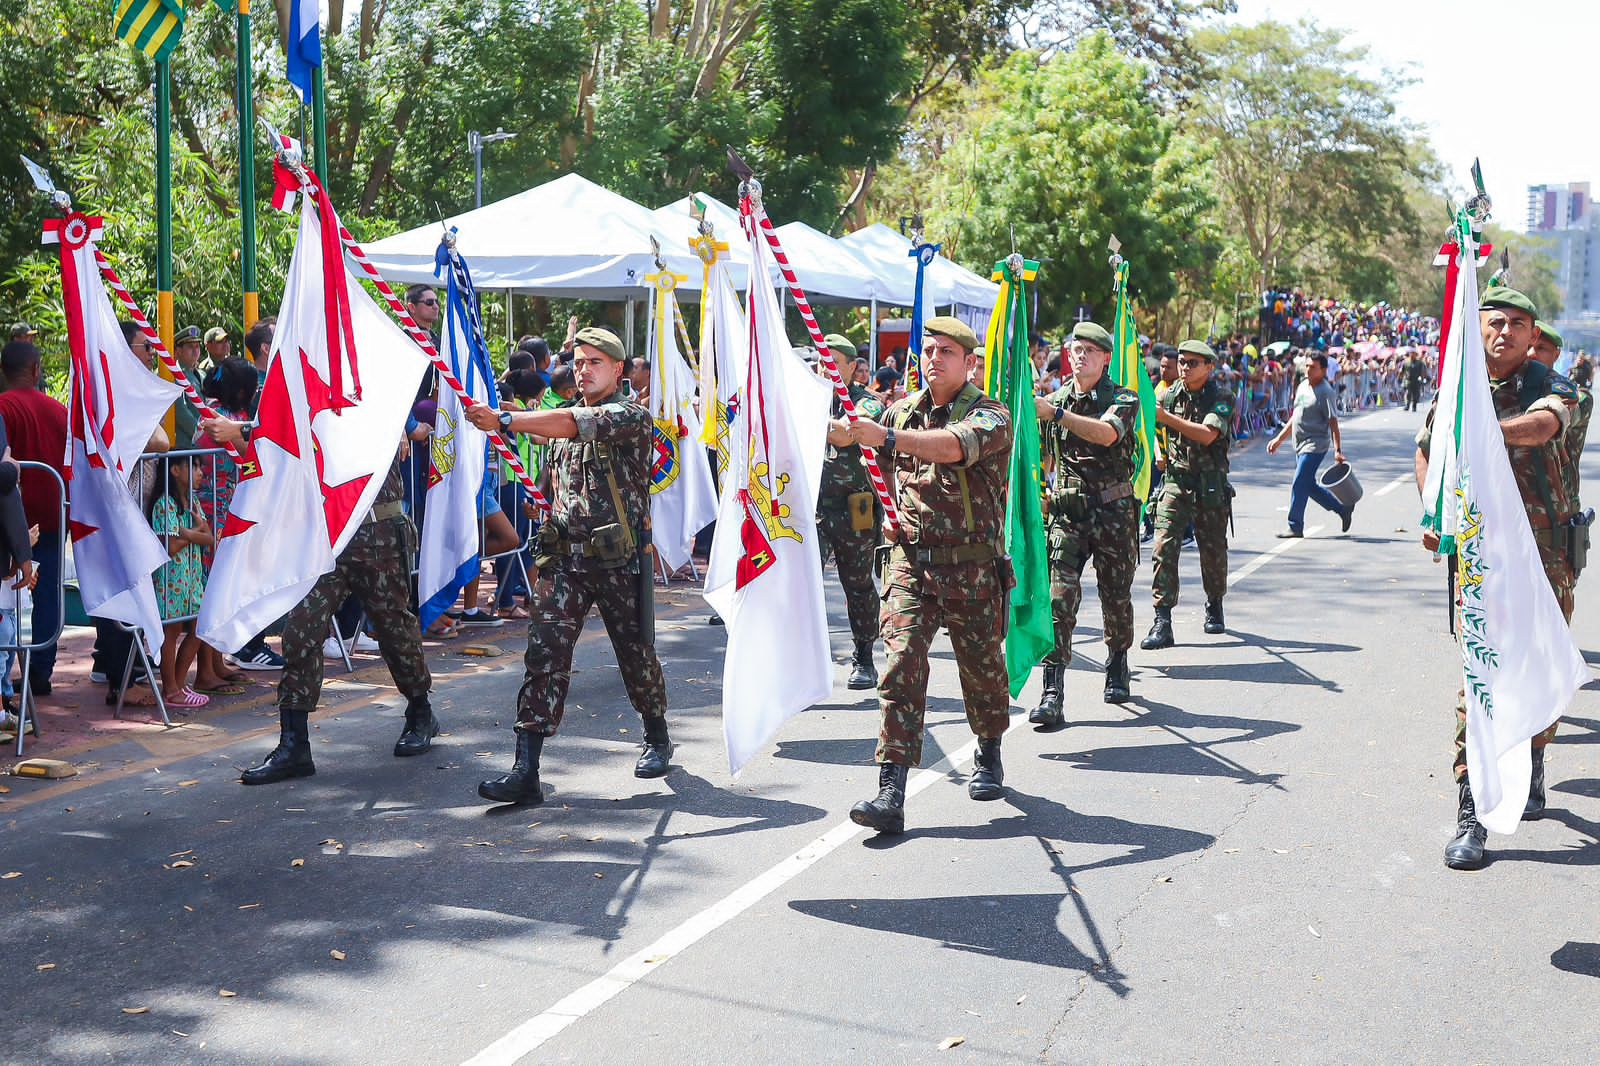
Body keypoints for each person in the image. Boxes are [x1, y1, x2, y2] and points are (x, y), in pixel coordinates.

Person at [465, 326, 671, 806]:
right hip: (566, 562)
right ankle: (526, 767)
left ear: (618, 370)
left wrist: (506, 420)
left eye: (594, 362)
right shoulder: (563, 424)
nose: (583, 370)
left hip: (618, 561)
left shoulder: (629, 416)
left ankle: (657, 735)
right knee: (544, 656)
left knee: (635, 653)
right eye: (578, 362)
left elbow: (571, 423)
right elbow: (552, 472)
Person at [1416, 288, 1581, 870]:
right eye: (1494, 321)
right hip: (1483, 561)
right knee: (1481, 677)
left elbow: (1541, 428)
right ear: (1478, 327)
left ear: (1533, 336)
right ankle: (1473, 809)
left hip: (1547, 560)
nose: (1504, 332)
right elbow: (1429, 449)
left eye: (1517, 324)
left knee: (1538, 672)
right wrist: (1434, 512)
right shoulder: (1456, 389)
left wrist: (1483, 431)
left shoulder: (1554, 387)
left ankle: (1534, 752)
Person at [829, 316, 1013, 834]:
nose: (934, 358)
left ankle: (989, 748)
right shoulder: (901, 410)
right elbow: (876, 459)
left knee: (981, 671)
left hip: (972, 566)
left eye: (947, 351)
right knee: (900, 669)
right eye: (929, 350)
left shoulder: (991, 414)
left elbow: (951, 446)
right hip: (911, 563)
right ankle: (891, 789)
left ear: (969, 362)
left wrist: (886, 435)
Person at [203, 419, 438, 781]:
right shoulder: (312, 370)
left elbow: (339, 422)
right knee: (301, 629)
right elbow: (295, 416)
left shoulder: (376, 384)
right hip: (320, 536)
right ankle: (294, 742)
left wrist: (245, 430)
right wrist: (248, 429)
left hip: (376, 532)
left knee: (393, 627)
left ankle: (421, 710)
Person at [1030, 321, 1139, 726]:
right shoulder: (1054, 399)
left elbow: (1108, 434)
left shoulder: (1123, 398)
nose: (1080, 356)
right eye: (1076, 349)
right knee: (1058, 602)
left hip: (1113, 514)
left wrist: (1056, 413)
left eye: (1090, 351)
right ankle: (1052, 690)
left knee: (1116, 597)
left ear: (1106, 358)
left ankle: (1117, 660)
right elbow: (1040, 456)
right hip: (1067, 515)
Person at [1141, 340, 1234, 650]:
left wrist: (1165, 418)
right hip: (1177, 480)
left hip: (1209, 485)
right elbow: (1153, 430)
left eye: (1193, 363)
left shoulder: (1221, 397)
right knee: (1163, 545)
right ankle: (1162, 620)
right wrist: (1158, 449)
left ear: (1209, 367)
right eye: (1182, 361)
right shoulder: (1169, 395)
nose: (1184, 367)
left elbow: (1208, 435)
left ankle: (1214, 602)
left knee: (1212, 549)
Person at [813, 333, 884, 690]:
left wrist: (804, 417)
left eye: (833, 363)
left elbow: (845, 435)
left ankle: (864, 655)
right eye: (820, 363)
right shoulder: (812, 401)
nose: (824, 370)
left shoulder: (867, 403)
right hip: (814, 510)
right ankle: (807, 658)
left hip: (855, 508)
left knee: (856, 584)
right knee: (803, 582)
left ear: (853, 368)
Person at [0, 341, 67, 695]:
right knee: (48, 594)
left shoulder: (3, 408)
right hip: (54, 515)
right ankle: (40, 670)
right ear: (37, 371)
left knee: (5, 599)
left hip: (11, 522)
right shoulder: (58, 410)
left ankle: (5, 679)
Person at [1266, 353, 1353, 538]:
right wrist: (1279, 439)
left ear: (1323, 370)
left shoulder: (1325, 391)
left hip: (1315, 444)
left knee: (1299, 482)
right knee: (1308, 485)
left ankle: (1295, 525)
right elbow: (1295, 416)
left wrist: (1337, 450)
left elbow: (1333, 422)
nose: (1308, 370)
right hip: (1299, 443)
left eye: (1313, 367)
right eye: (1307, 366)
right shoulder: (1303, 386)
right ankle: (1342, 510)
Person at [149, 457, 213, 707]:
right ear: (175, 470)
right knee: (171, 631)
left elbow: (208, 539)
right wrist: (194, 535)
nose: (200, 472)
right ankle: (171, 689)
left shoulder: (193, 502)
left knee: (201, 626)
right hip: (171, 579)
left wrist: (187, 533)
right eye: (193, 467)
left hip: (192, 578)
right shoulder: (165, 504)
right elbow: (171, 546)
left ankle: (178, 683)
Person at [1531, 321, 1591, 506]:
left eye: (1541, 348)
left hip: (1560, 508)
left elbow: (1563, 411)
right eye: (1527, 347)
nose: (1531, 354)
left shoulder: (1578, 396)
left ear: (1557, 354)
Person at [171, 326, 205, 446]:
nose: (195, 350)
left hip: (202, 444)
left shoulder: (201, 374)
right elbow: (180, 412)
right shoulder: (172, 376)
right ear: (178, 350)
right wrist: (202, 434)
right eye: (190, 347)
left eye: (197, 346)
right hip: (185, 445)